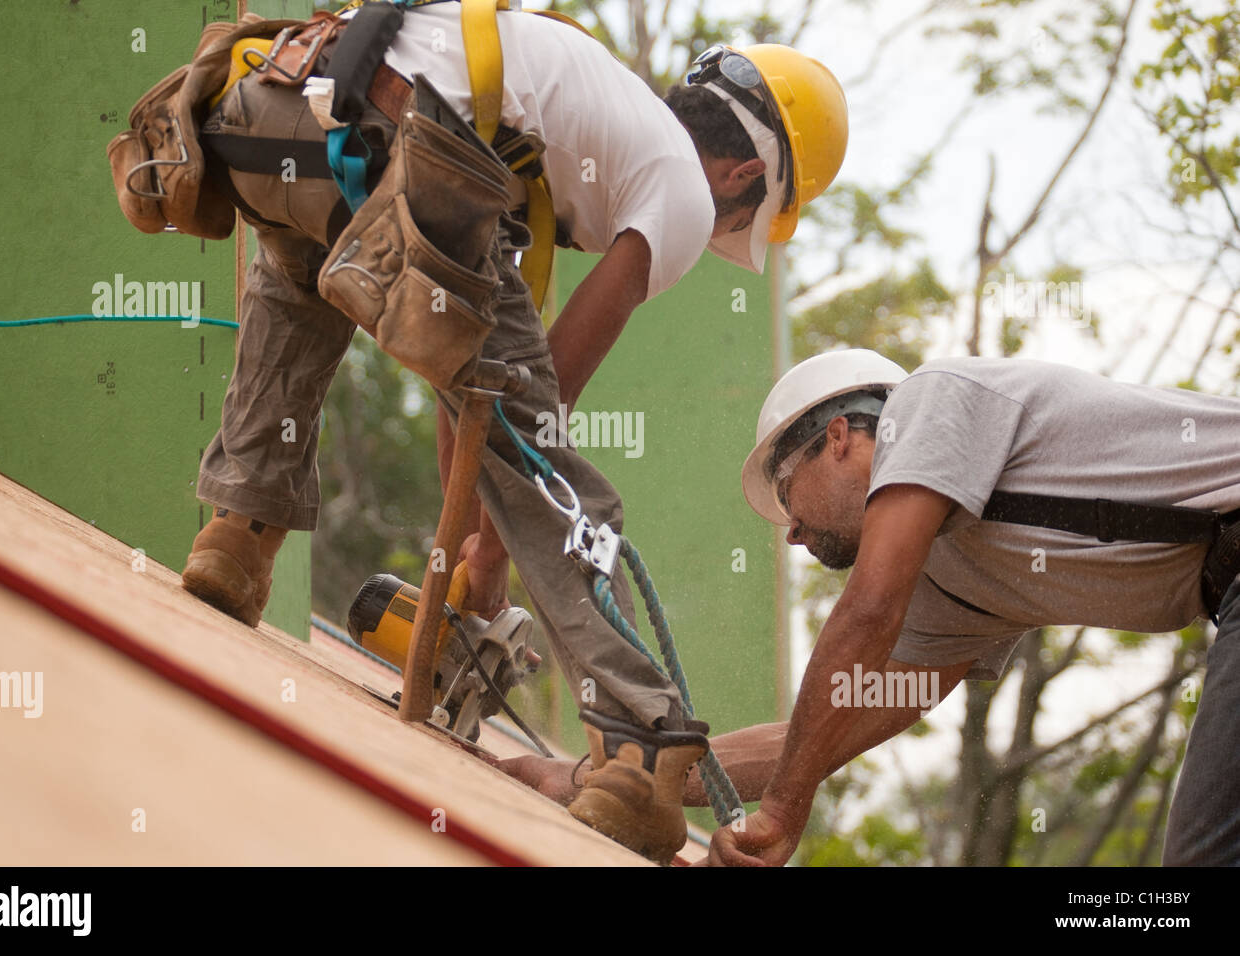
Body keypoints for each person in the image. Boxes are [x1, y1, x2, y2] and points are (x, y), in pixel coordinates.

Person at [169, 0, 848, 863]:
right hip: (403, 141)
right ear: (746, 173)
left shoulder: (568, 112)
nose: (729, 229)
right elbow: (534, 411)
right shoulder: (674, 185)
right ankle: (641, 744)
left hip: (266, 109)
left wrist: (467, 568)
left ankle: (238, 533)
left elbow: (474, 382)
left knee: (295, 281)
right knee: (558, 477)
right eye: (750, 212)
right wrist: (485, 560)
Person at [502, 348, 1240, 866]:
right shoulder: (955, 582)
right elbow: (820, 736)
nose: (790, 531)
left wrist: (785, 812)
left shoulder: (933, 399)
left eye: (788, 493)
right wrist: (600, 777)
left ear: (841, 438)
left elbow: (867, 610)